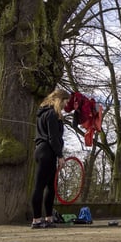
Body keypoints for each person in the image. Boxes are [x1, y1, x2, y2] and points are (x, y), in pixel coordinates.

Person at [31, 89, 70, 229]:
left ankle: (48, 217)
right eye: (66, 101)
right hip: (46, 151)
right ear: (60, 99)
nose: (66, 105)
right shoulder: (52, 114)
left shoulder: (44, 114)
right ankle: (36, 219)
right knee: (40, 186)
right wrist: (60, 155)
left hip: (44, 150)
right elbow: (53, 137)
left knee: (51, 187)